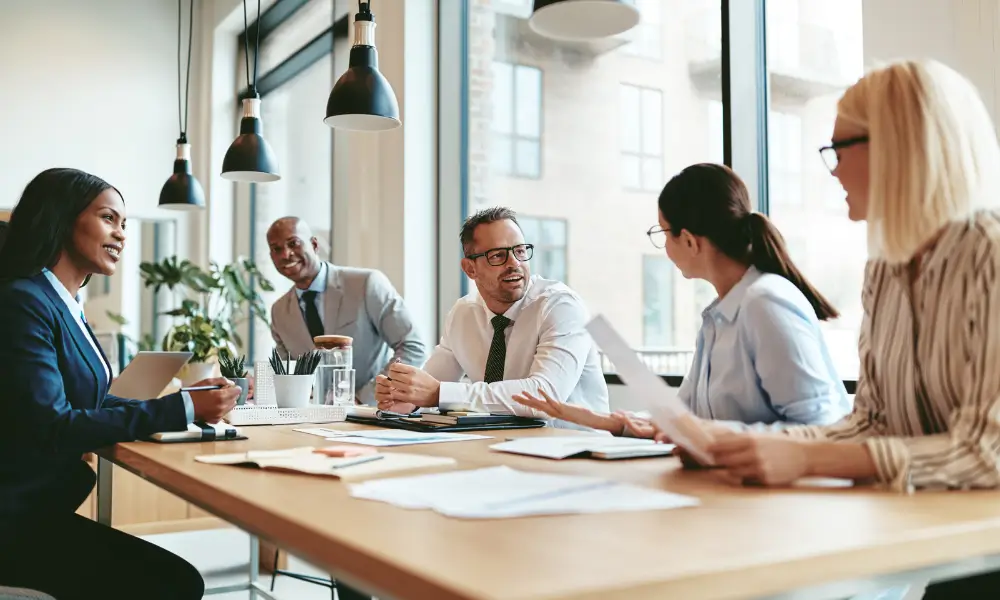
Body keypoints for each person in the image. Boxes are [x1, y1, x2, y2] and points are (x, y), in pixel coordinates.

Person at [684, 59, 1000, 598]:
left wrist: (805, 457)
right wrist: (742, 445)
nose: (831, 171)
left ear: (899, 146)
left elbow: (986, 451)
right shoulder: (885, 270)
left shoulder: (989, 256)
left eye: (838, 149)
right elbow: (871, 423)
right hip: (951, 545)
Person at [0, 168, 240, 599]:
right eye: (109, 218)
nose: (122, 234)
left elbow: (87, 400)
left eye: (124, 223)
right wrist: (183, 408)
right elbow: (53, 425)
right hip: (16, 520)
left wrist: (186, 403)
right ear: (62, 218)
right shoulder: (24, 301)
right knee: (177, 584)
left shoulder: (63, 302)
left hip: (37, 508)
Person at [515, 164, 851, 435]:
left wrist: (713, 435)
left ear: (689, 240)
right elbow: (686, 419)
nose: (664, 247)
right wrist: (612, 422)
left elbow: (819, 428)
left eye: (662, 233)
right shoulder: (717, 317)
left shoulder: (765, 304)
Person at [375, 206, 609, 426]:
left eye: (520, 251)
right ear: (470, 269)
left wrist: (439, 393)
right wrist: (404, 395)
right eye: (498, 256)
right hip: (500, 444)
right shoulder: (464, 313)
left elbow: (545, 397)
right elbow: (431, 384)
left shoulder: (561, 306)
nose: (514, 263)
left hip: (573, 448)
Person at [267, 216, 427, 406]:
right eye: (276, 249)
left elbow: (413, 346)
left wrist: (366, 397)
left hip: (371, 411)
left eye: (293, 243)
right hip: (312, 416)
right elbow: (287, 373)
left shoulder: (366, 284)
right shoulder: (279, 312)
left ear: (314, 245)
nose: (286, 254)